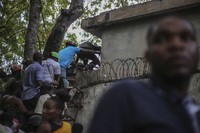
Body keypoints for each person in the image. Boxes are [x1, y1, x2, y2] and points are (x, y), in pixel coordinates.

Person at [87, 16, 199, 133]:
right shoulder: (126, 97)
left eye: (186, 37)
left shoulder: (194, 111)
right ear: (148, 56)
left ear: (197, 52)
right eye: (162, 39)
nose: (176, 45)